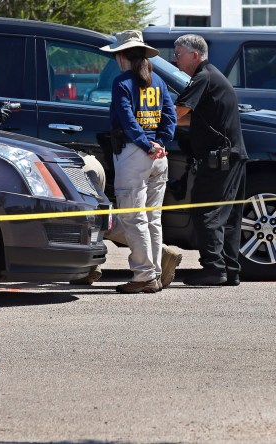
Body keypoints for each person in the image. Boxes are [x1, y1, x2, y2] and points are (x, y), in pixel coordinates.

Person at [99, 30, 176, 294]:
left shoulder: (122, 82)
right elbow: (170, 115)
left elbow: (128, 121)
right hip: (159, 157)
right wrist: (161, 143)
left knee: (134, 218)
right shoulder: (158, 81)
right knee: (153, 218)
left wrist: (146, 144)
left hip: (134, 154)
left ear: (122, 57)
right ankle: (153, 273)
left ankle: (144, 275)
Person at [173, 34, 248, 286]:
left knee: (206, 211)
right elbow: (194, 119)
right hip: (232, 157)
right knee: (228, 217)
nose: (175, 58)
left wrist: (150, 118)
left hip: (219, 158)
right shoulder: (212, 75)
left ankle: (214, 269)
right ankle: (230, 270)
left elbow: (179, 111)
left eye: (179, 53)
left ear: (195, 55)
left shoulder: (202, 76)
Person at [69, 153, 184, 289]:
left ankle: (151, 267)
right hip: (87, 162)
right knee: (146, 218)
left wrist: (148, 146)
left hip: (75, 167)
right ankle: (89, 268)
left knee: (108, 218)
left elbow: (132, 131)